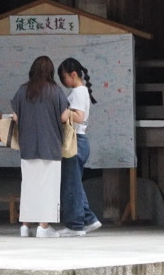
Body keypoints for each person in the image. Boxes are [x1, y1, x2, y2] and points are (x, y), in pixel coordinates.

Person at [7, 55, 69, 237]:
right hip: (50, 145)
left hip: (28, 145)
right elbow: (64, 117)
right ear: (50, 72)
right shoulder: (55, 91)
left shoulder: (22, 91)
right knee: (48, 187)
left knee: (29, 187)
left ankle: (25, 226)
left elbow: (15, 116)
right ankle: (43, 227)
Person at [58, 58, 102, 235]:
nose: (63, 82)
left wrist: (61, 112)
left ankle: (75, 224)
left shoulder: (77, 92)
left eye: (64, 77)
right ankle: (89, 219)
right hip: (80, 140)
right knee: (74, 183)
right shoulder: (82, 91)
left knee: (71, 185)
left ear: (73, 74)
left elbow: (78, 117)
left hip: (74, 140)